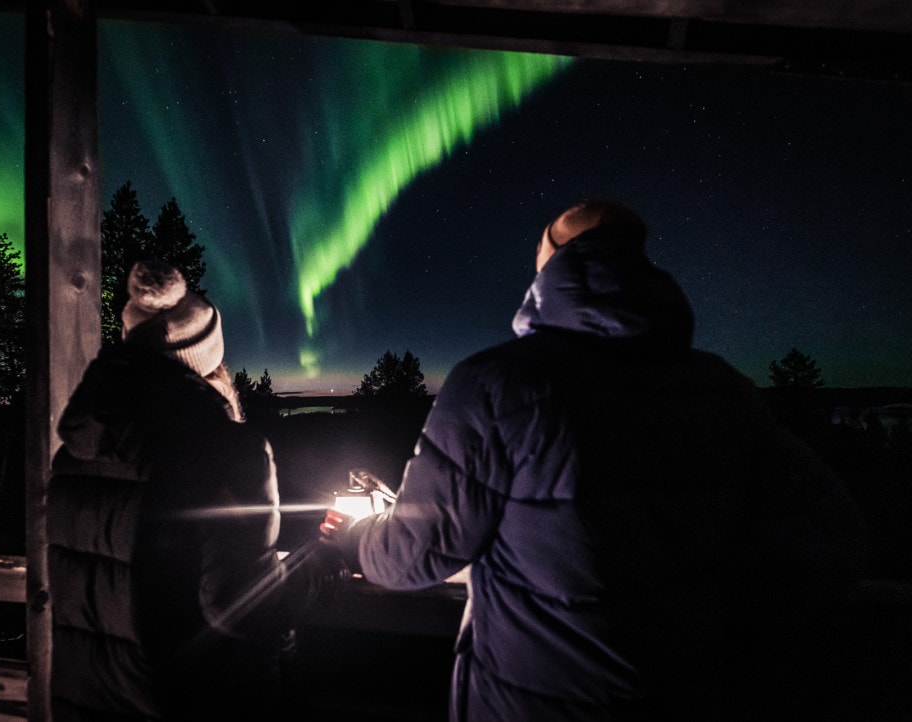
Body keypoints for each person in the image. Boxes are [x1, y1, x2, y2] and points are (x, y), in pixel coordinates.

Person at [321, 200, 868, 721]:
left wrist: (356, 535)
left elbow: (414, 557)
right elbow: (831, 534)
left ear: (550, 266)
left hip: (537, 704)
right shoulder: (725, 390)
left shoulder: (497, 385)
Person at [48, 259, 346, 721]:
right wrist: (330, 559)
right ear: (205, 357)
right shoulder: (228, 450)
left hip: (86, 702)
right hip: (183, 704)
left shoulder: (74, 453)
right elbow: (243, 605)